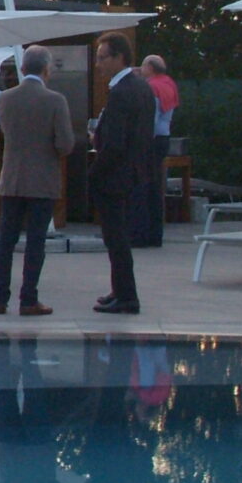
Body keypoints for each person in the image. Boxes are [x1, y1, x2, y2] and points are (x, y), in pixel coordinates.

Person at [0, 45, 75, 316]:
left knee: (6, 240)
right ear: (47, 70)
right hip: (42, 181)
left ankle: (0, 298)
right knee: (35, 242)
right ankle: (28, 299)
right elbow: (65, 144)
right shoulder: (55, 101)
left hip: (12, 178)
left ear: (23, 68)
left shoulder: (5, 99)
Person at [90, 33, 154, 314]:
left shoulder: (122, 92)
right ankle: (120, 290)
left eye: (103, 58)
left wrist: (94, 171)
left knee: (116, 238)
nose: (98, 64)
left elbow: (116, 142)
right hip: (134, 173)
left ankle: (127, 296)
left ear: (119, 57)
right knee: (118, 238)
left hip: (116, 177)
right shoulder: (141, 87)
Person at [132, 54, 179, 247]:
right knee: (156, 186)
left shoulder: (152, 88)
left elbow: (151, 116)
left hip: (150, 140)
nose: (140, 69)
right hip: (164, 137)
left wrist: (140, 141)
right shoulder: (169, 84)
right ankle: (155, 233)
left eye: (143, 66)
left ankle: (141, 233)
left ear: (151, 68)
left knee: (142, 185)